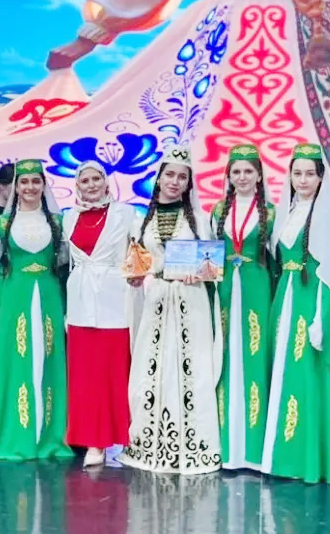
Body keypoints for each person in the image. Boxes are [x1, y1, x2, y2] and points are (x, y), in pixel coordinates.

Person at [261, 143, 330, 485]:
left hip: (311, 303)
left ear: (321, 178)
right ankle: (287, 457)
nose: (303, 180)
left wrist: (321, 318)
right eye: (297, 173)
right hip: (286, 298)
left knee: (309, 376)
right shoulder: (286, 212)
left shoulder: (326, 217)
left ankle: (313, 461)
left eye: (310, 174)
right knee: (287, 375)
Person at [117, 144, 223, 475]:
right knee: (152, 370)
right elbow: (134, 269)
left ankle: (193, 446)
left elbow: (212, 268)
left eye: (182, 177)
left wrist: (200, 272)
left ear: (189, 183)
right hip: (156, 301)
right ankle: (150, 445)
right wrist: (137, 276)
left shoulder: (201, 220)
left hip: (191, 301)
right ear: (159, 178)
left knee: (191, 370)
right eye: (170, 175)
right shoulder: (140, 222)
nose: (175, 182)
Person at [0, 159, 73, 461]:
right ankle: (14, 434)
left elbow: (65, 259)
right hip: (14, 299)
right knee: (14, 362)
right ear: (15, 187)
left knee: (49, 360)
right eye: (24, 181)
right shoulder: (2, 224)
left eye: (36, 181)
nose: (30, 187)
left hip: (49, 297)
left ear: (44, 185)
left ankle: (49, 435)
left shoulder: (57, 222)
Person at [63, 161, 138, 467]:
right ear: (77, 186)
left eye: (96, 179)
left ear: (106, 182)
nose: (91, 185)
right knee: (86, 375)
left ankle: (126, 437)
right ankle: (93, 442)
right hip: (81, 300)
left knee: (116, 370)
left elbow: (140, 249)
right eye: (85, 181)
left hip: (114, 296)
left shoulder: (126, 214)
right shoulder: (69, 217)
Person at [212, 144, 275, 471]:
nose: (242, 177)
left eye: (248, 171)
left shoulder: (272, 212)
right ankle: (225, 446)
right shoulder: (218, 210)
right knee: (224, 357)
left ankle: (254, 447)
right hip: (225, 288)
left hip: (256, 287)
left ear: (259, 175)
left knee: (254, 356)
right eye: (236, 171)